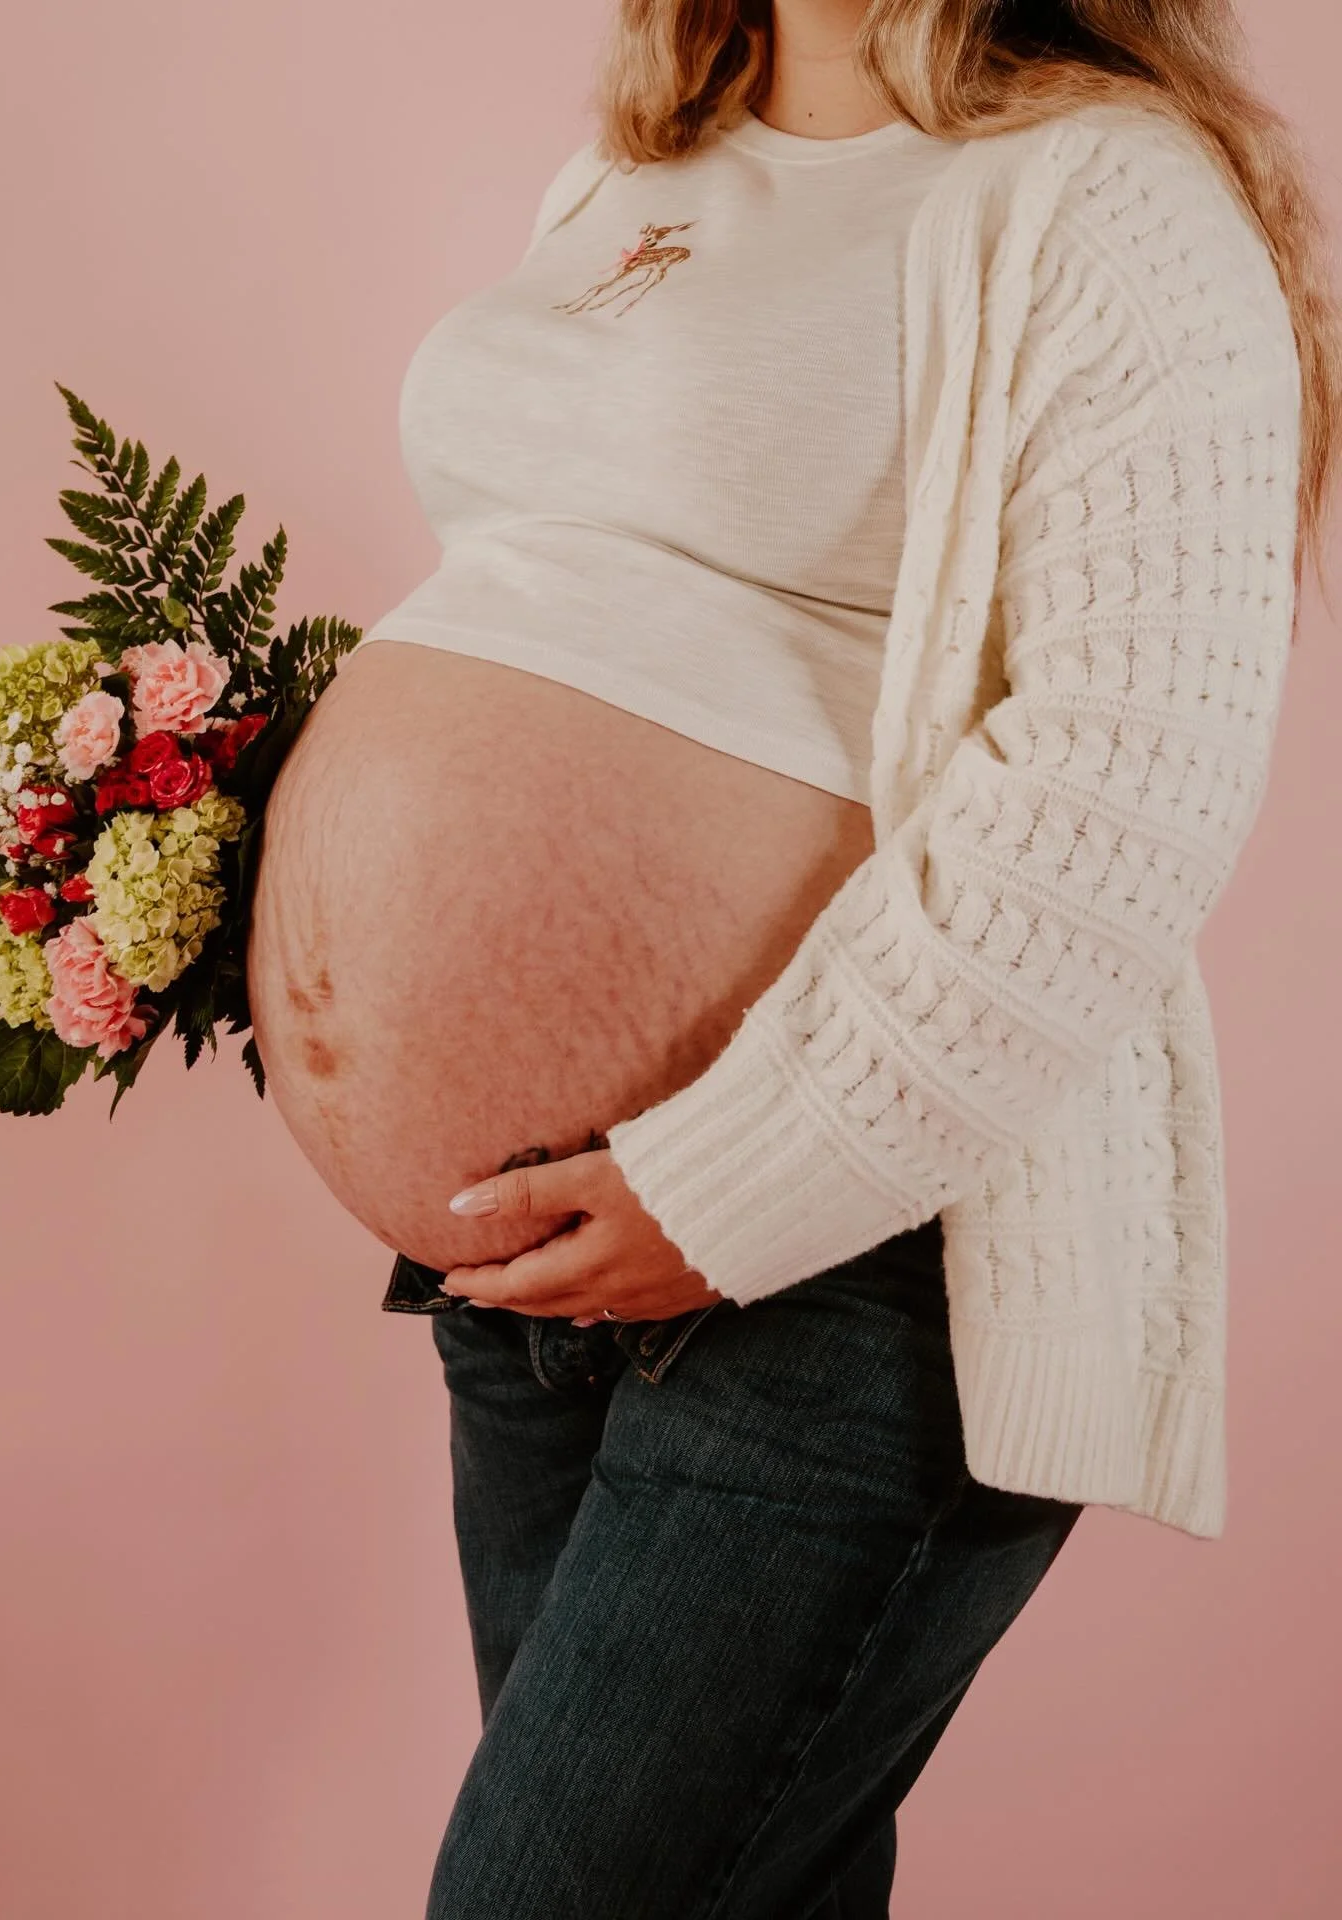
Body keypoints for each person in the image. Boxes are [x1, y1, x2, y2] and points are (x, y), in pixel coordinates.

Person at [246, 2, 1342, 1913]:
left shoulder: (1112, 196)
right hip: (525, 1270)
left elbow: (1131, 772)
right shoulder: (633, 170)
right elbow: (565, 589)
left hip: (854, 1265)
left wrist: (734, 1182)